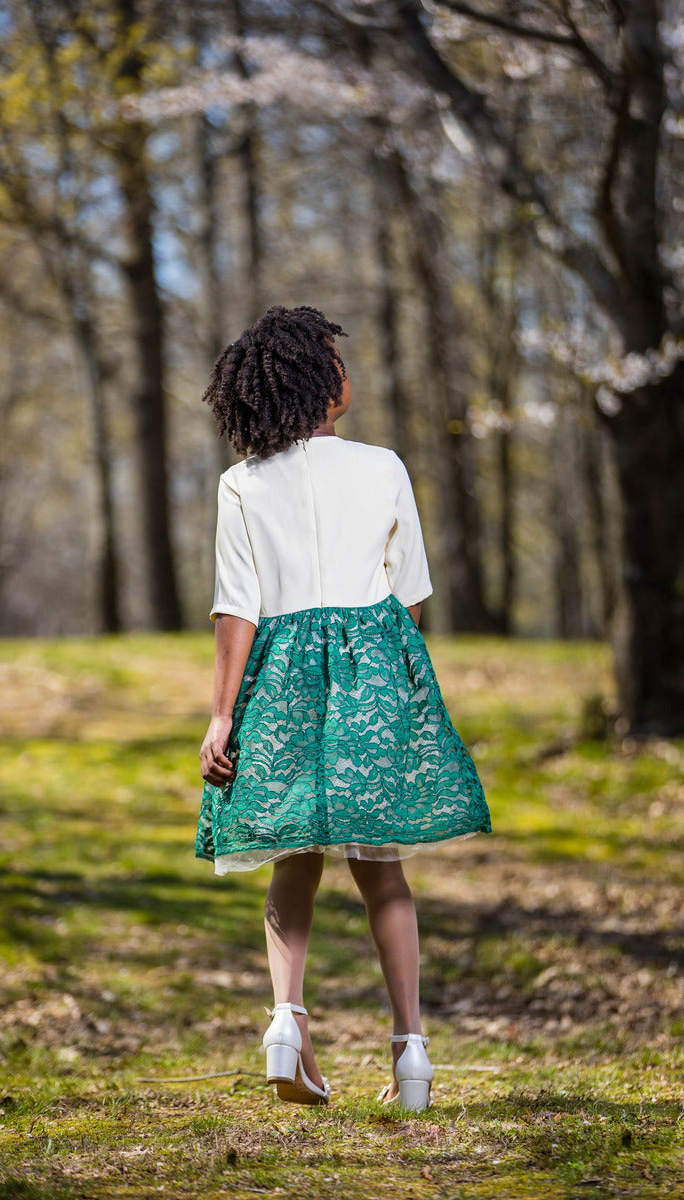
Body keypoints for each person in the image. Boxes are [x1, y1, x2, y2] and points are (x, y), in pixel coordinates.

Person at [196, 305, 491, 1111]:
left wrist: (222, 715)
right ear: (324, 386)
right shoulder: (383, 466)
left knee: (295, 859)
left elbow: (237, 609)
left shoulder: (242, 484)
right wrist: (387, 690)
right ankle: (412, 1052)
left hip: (281, 680)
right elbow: (410, 598)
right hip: (371, 678)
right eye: (336, 363)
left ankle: (286, 1022)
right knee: (382, 870)